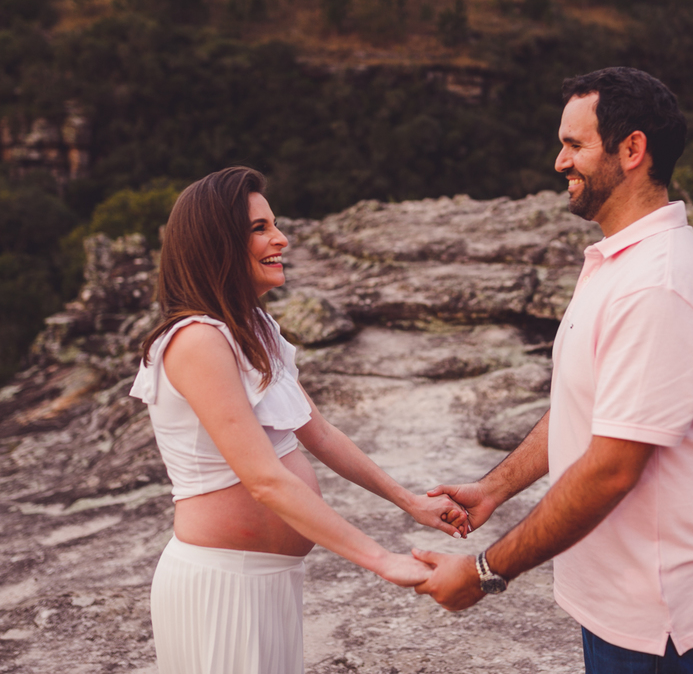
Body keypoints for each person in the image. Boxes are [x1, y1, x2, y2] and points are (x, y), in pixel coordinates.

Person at [413, 67, 693, 673]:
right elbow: (589, 406)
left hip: (660, 623)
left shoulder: (658, 285)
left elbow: (610, 471)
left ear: (632, 150)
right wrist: (496, 487)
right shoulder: (618, 261)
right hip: (624, 610)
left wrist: (484, 573)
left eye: (575, 145)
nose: (558, 161)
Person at [130, 167, 468, 674]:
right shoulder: (197, 339)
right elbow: (265, 480)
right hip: (222, 586)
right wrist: (382, 560)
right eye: (259, 228)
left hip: (272, 580)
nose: (280, 239)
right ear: (216, 243)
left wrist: (410, 502)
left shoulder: (253, 328)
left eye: (275, 224)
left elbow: (321, 434)